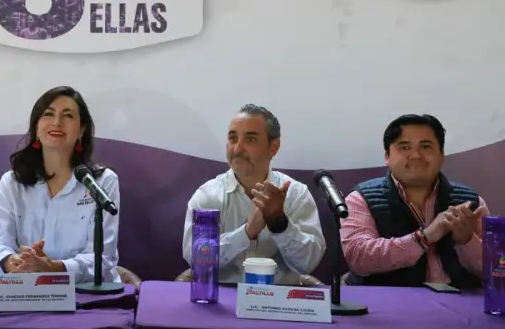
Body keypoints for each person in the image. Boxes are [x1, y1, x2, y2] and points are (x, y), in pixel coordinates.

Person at [0, 86, 121, 283]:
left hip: (86, 293)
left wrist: (52, 268)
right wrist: (13, 261)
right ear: (36, 127)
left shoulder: (102, 181)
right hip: (27, 291)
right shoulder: (13, 182)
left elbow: (103, 259)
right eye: (48, 114)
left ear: (82, 130)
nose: (57, 122)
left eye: (68, 116)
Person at [182, 104, 326, 284]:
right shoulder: (208, 195)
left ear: (273, 147)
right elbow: (194, 257)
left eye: (250, 140)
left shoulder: (296, 194)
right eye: (233, 138)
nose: (237, 149)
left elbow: (308, 264)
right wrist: (246, 232)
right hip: (222, 296)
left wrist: (280, 224)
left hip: (280, 298)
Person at [340, 114, 488, 288]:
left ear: (441, 154)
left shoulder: (471, 202)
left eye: (425, 146)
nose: (416, 155)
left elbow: (495, 268)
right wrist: (424, 237)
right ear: (387, 156)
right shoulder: (360, 199)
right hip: (389, 300)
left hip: (461, 299)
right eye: (404, 147)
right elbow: (358, 258)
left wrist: (467, 241)